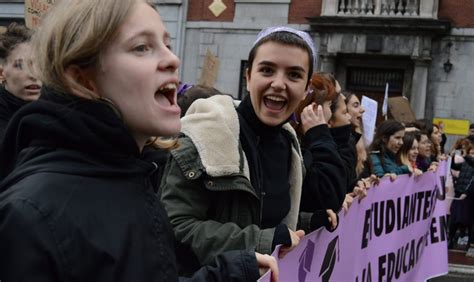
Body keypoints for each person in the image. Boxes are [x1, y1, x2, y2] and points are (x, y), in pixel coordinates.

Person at [0, 0, 278, 281]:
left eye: (166, 44)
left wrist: (228, 274)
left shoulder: (132, 176)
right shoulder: (31, 216)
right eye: (142, 47)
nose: (173, 59)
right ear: (83, 79)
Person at [160, 26, 333, 275]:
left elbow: (263, 217)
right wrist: (263, 241)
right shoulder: (202, 138)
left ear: (306, 89)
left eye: (294, 75)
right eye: (267, 70)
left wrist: (307, 223)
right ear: (249, 76)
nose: (278, 83)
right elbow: (175, 226)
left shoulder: (289, 145)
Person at [291, 73, 345, 223]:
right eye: (329, 106)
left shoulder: (308, 141)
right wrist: (320, 135)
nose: (331, 112)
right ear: (314, 108)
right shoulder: (300, 146)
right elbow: (331, 195)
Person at [0, 23, 41, 142]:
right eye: (20, 65)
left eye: (39, 66)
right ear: (2, 72)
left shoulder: (56, 111)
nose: (33, 75)